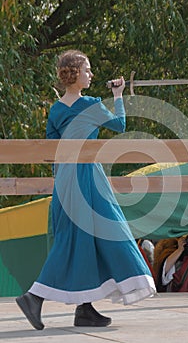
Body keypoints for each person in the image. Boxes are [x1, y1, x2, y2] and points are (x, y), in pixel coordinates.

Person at [16, 50, 156, 330]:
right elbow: (120, 125)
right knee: (104, 231)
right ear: (75, 74)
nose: (91, 75)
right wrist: (118, 95)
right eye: (88, 70)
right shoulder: (91, 104)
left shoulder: (56, 109)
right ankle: (33, 297)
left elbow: (51, 148)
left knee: (83, 238)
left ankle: (85, 309)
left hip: (65, 179)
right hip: (87, 176)